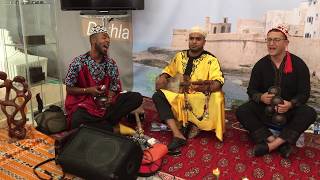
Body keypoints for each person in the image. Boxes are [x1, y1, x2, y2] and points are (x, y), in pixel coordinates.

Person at [236, 25, 317, 158]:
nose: (271, 44)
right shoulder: (260, 65)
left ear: (286, 43)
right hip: (265, 110)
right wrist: (261, 97)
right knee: (242, 111)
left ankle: (270, 146)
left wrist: (290, 104)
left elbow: (304, 94)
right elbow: (251, 90)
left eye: (276, 40)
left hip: (289, 112)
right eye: (269, 40)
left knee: (309, 113)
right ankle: (278, 143)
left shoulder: (299, 65)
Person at [152, 26, 225, 152]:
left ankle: (191, 124)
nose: (194, 41)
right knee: (158, 95)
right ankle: (178, 134)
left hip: (198, 97)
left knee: (216, 96)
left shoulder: (211, 60)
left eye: (198, 39)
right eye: (192, 38)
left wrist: (205, 87)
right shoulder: (179, 56)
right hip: (179, 94)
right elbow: (169, 69)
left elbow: (218, 81)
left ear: (204, 42)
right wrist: (163, 76)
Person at [64, 25, 143, 132]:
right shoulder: (78, 62)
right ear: (93, 40)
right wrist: (88, 90)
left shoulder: (110, 63)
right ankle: (112, 128)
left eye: (108, 38)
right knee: (77, 120)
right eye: (104, 37)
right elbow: (69, 88)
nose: (108, 41)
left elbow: (114, 87)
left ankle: (100, 125)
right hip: (85, 105)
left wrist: (110, 98)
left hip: (104, 106)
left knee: (136, 97)